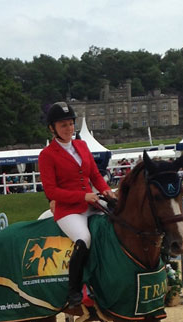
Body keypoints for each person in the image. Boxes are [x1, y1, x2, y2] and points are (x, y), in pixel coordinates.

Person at [38, 101, 117, 307]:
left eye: (71, 124)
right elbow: (51, 191)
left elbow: (94, 174)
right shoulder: (47, 155)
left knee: (117, 222)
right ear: (52, 128)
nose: (69, 128)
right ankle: (73, 290)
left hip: (92, 201)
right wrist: (83, 197)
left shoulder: (81, 145)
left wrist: (106, 191)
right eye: (63, 125)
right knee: (84, 238)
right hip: (68, 210)